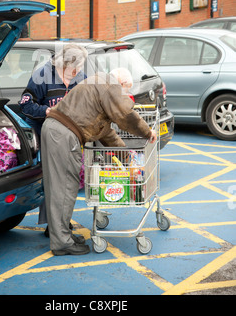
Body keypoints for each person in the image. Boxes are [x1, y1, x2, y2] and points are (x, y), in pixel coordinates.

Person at [41, 68, 157, 256]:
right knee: (64, 188)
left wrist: (127, 158)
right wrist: (147, 132)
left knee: (57, 186)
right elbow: (125, 115)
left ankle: (61, 234)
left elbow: (106, 133)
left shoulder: (96, 84)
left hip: (55, 129)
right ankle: (62, 242)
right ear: (120, 83)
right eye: (125, 91)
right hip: (63, 134)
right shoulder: (109, 83)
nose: (124, 96)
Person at [19, 43, 88, 229]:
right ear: (64, 64)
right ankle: (54, 225)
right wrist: (47, 111)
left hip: (67, 135)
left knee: (66, 180)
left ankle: (59, 222)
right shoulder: (42, 76)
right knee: (53, 180)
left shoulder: (80, 77)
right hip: (43, 134)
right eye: (76, 67)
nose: (79, 71)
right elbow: (26, 105)